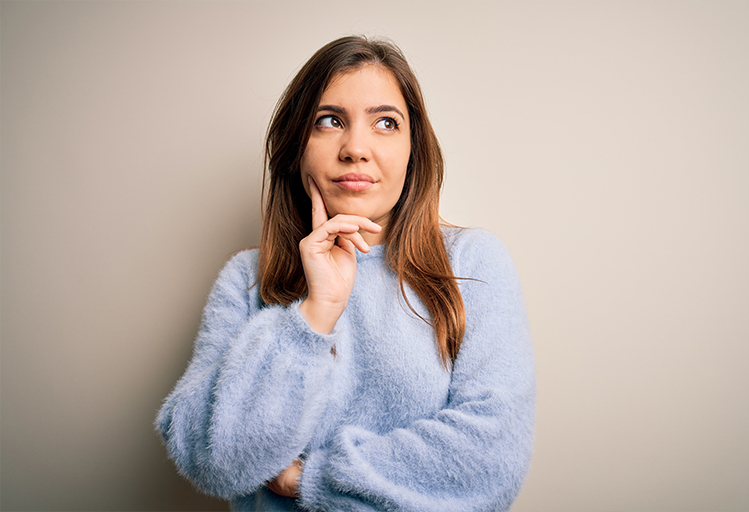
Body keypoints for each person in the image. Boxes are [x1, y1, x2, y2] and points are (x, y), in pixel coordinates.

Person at [155, 35, 536, 512]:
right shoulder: (246, 280)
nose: (356, 147)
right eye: (330, 121)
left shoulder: (474, 264)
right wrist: (315, 315)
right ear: (297, 147)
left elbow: (490, 462)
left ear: (413, 149)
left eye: (385, 123)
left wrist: (308, 479)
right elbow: (210, 460)